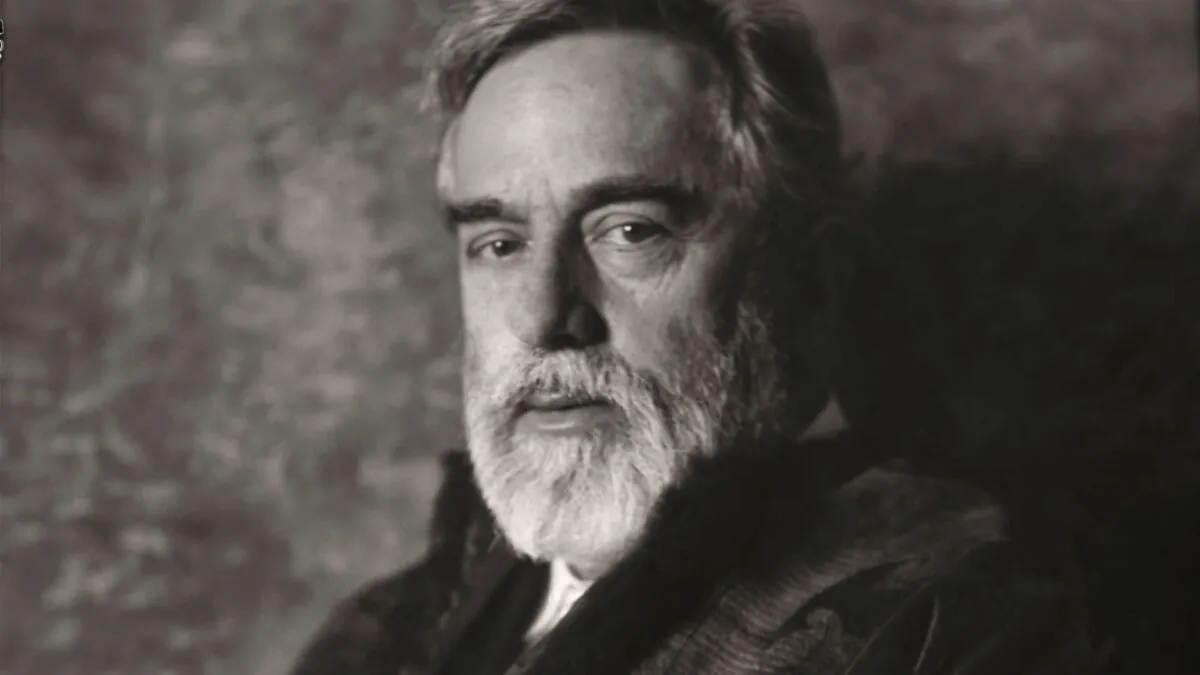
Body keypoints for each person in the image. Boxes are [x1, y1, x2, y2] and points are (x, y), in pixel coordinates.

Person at [289, 1, 1107, 673]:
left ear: (810, 285)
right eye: (499, 244)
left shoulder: (957, 630)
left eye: (630, 231)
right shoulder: (389, 628)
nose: (543, 318)